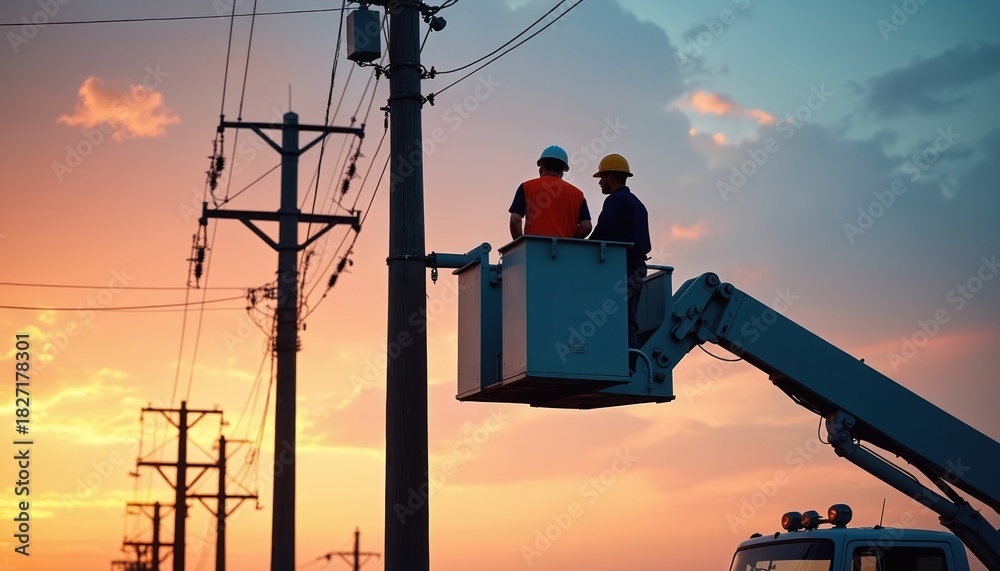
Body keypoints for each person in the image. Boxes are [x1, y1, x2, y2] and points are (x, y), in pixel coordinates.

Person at [588, 153, 651, 373]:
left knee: (617, 318)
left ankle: (625, 366)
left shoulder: (615, 201)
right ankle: (630, 364)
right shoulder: (638, 204)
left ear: (611, 178)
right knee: (628, 317)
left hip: (621, 268)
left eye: (602, 177)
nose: (599, 182)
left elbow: (602, 232)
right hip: (636, 267)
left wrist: (581, 252)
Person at [509, 145, 592, 240]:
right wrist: (571, 243)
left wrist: (521, 244)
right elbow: (586, 226)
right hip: (565, 251)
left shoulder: (526, 187)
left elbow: (515, 219)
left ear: (542, 166)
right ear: (563, 170)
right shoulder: (577, 194)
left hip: (533, 250)